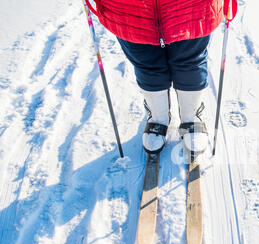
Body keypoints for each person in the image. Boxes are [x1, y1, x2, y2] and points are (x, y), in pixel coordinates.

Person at [84, 0, 224, 154]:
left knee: (190, 63)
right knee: (147, 65)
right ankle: (158, 118)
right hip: (128, 9)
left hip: (191, 6)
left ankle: (191, 117)